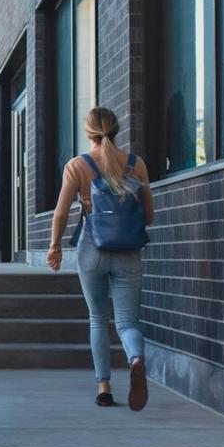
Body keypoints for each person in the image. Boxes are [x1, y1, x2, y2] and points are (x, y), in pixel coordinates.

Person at [46, 107, 154, 411]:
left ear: (88, 132)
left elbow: (61, 213)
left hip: (92, 250)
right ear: (116, 129)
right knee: (127, 322)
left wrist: (55, 247)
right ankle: (136, 359)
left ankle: (104, 388)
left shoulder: (77, 166)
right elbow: (148, 216)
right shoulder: (136, 164)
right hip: (129, 251)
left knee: (97, 318)